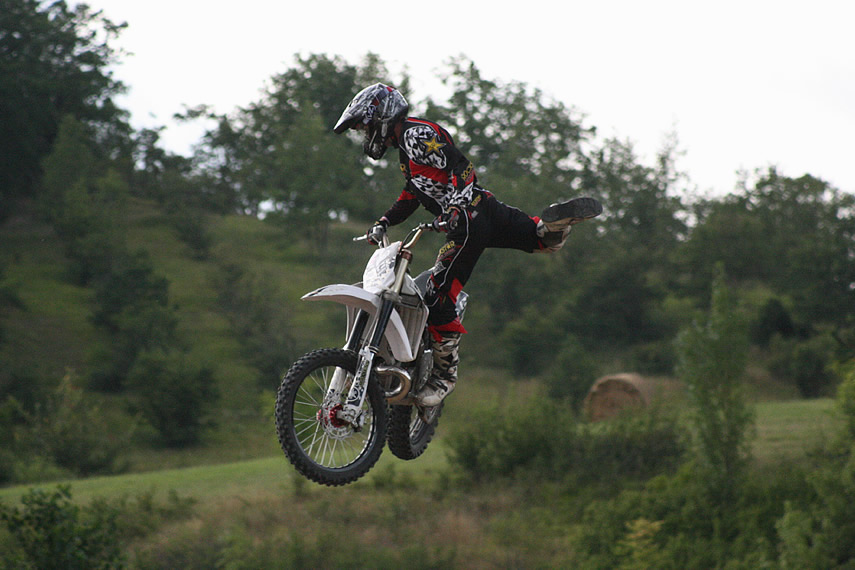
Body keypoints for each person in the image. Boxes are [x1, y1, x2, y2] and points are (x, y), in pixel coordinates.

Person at [333, 83, 602, 407]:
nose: (365, 133)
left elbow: (460, 167)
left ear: (381, 115)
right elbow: (413, 194)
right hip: (482, 208)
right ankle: (555, 226)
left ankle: (443, 376)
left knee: (437, 295)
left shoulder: (415, 135)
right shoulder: (408, 150)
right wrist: (385, 221)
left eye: (364, 125)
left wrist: (456, 208)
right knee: (539, 239)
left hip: (468, 221)